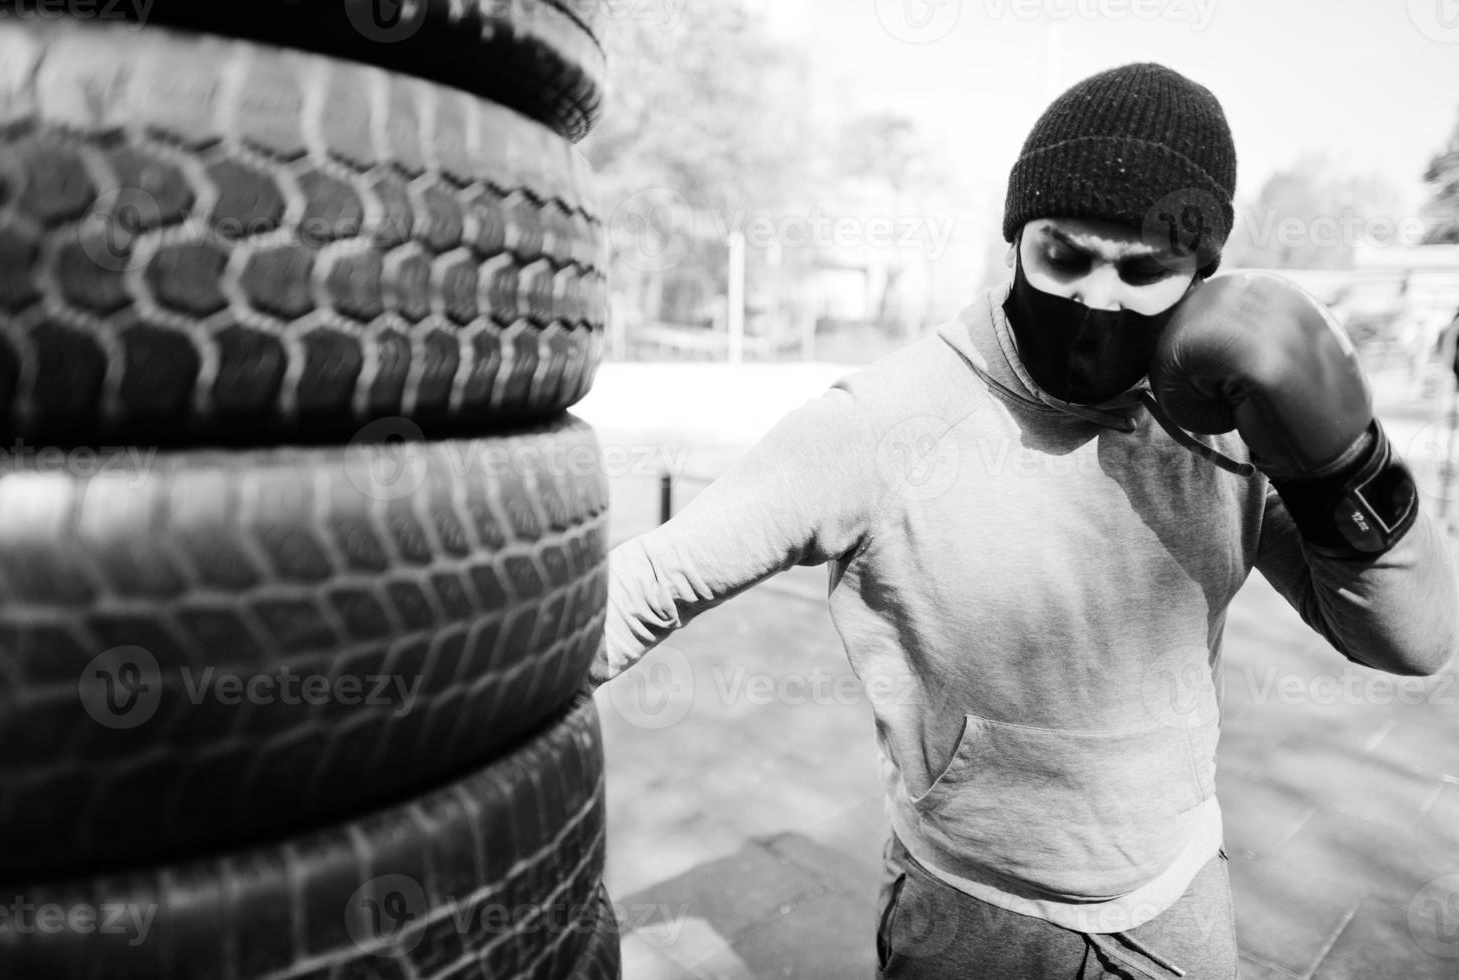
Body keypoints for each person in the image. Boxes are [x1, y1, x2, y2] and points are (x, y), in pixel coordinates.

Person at [588, 63, 1459, 979]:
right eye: (1065, 256)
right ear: (1016, 242)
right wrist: (454, 714)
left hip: (1177, 895)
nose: (1096, 299)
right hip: (971, 912)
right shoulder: (883, 422)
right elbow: (653, 581)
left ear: (1200, 278)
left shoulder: (1233, 424)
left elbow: (1413, 642)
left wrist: (1342, 462)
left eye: (1143, 271)